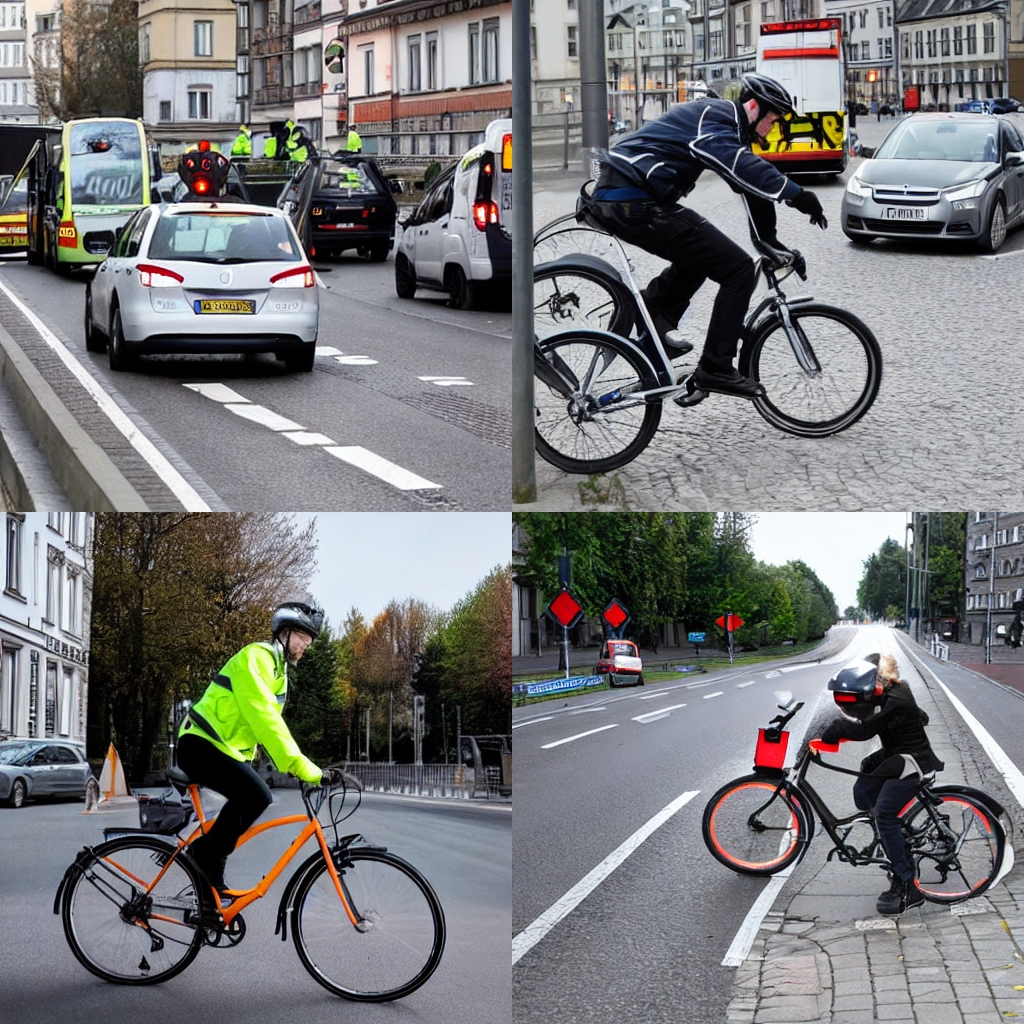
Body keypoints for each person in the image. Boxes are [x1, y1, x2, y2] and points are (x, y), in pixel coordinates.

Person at [583, 73, 827, 400]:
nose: (772, 128)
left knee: (702, 255)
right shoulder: (718, 114)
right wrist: (796, 193)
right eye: (773, 119)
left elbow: (749, 186)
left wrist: (771, 243)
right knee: (738, 269)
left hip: (631, 199)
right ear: (754, 107)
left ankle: (655, 315)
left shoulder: (725, 128)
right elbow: (740, 165)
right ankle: (715, 367)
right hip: (628, 200)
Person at [176, 600, 340, 898]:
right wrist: (305, 768)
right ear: (286, 633)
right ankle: (204, 858)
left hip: (218, 749)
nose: (307, 645)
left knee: (249, 798)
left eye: (310, 641)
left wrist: (295, 766)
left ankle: (207, 895)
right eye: (304, 637)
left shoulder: (280, 674)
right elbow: (264, 719)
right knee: (255, 795)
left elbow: (269, 726)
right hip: (199, 743)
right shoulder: (257, 657)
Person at [820, 654, 945, 916]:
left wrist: (834, 729)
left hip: (913, 762)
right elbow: (921, 717)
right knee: (865, 782)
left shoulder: (896, 699)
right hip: (896, 754)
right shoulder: (895, 691)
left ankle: (908, 886)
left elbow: (865, 731)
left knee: (884, 815)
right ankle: (893, 838)